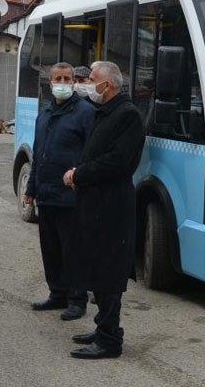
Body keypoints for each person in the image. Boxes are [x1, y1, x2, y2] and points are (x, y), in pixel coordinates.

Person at [63, 61, 145, 360]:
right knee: (95, 268)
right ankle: (102, 327)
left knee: (109, 273)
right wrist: (79, 172)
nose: (85, 84)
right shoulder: (105, 112)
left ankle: (110, 339)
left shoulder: (128, 115)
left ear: (107, 85)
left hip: (112, 206)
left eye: (91, 80)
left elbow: (118, 162)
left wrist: (79, 174)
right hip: (94, 202)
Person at [23, 62, 94, 321]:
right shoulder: (45, 112)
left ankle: (77, 299)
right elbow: (38, 150)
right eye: (58, 79)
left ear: (74, 82)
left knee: (72, 250)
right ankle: (57, 294)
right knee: (50, 249)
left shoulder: (86, 113)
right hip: (46, 193)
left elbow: (90, 153)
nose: (63, 83)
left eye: (67, 78)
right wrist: (31, 188)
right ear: (49, 82)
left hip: (71, 195)